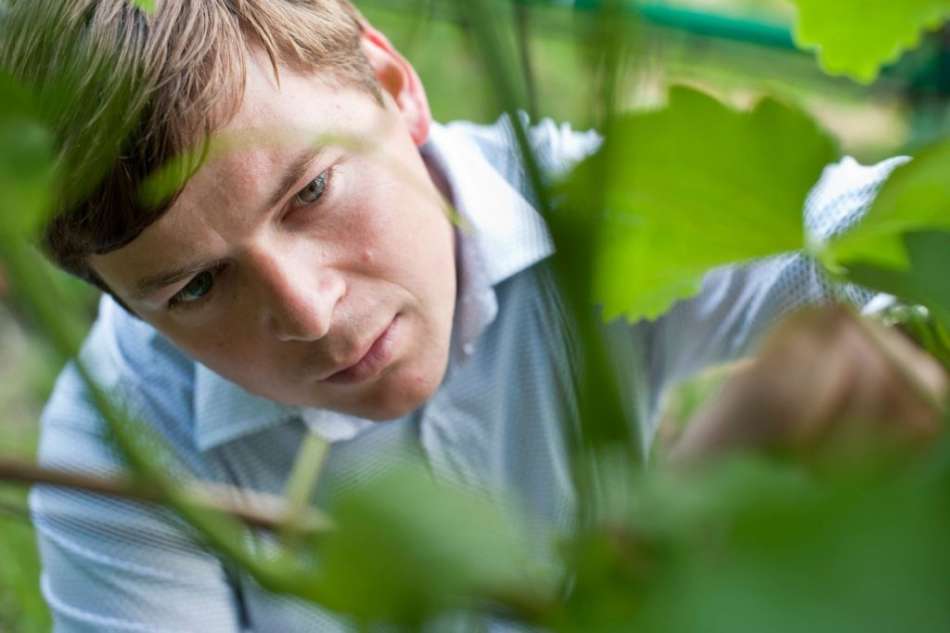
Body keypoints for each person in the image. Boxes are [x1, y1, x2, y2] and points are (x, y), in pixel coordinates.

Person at [1, 1, 943, 631]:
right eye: (196, 287)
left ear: (394, 87)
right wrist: (657, 560)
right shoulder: (121, 456)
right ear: (120, 304)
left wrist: (887, 335)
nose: (312, 310)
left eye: (312, 191)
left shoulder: (593, 213)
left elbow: (876, 228)